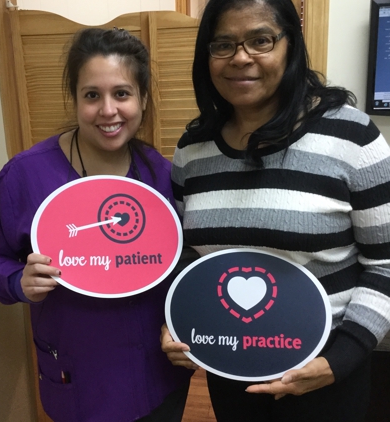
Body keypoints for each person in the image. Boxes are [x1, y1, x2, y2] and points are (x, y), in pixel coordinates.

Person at [160, 0, 390, 421]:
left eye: (260, 40)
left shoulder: (351, 135)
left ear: (291, 45)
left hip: (325, 374)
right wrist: (177, 318)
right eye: (223, 44)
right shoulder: (193, 149)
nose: (241, 57)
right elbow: (189, 254)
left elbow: (386, 264)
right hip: (229, 366)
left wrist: (340, 359)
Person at [0, 28, 192, 422]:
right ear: (75, 99)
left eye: (122, 93)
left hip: (158, 375)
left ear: (141, 100)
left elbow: (183, 262)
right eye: (92, 95)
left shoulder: (161, 174)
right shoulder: (26, 176)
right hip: (80, 379)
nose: (108, 110)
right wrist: (19, 281)